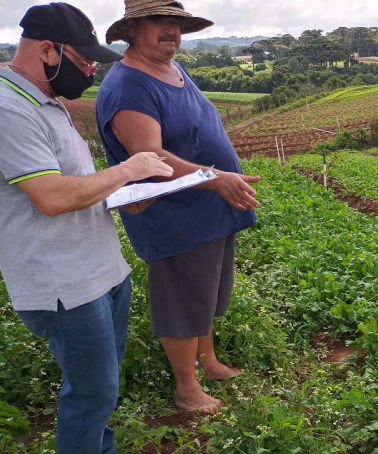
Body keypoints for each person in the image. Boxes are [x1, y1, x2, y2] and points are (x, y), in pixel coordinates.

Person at [0, 3, 174, 454]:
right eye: (83, 60)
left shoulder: (48, 102)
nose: (92, 70)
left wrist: (122, 197)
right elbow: (52, 197)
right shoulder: (9, 109)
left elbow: (76, 186)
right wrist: (129, 169)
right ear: (47, 50)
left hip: (100, 270)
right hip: (63, 283)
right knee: (91, 392)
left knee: (103, 385)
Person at [96, 0, 260, 415]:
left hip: (207, 207)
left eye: (176, 22)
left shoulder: (172, 69)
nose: (170, 30)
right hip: (176, 215)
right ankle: (187, 389)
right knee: (184, 300)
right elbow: (150, 158)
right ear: (132, 29)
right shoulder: (129, 86)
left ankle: (208, 362)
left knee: (204, 294)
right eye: (158, 20)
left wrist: (217, 181)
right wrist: (214, 177)